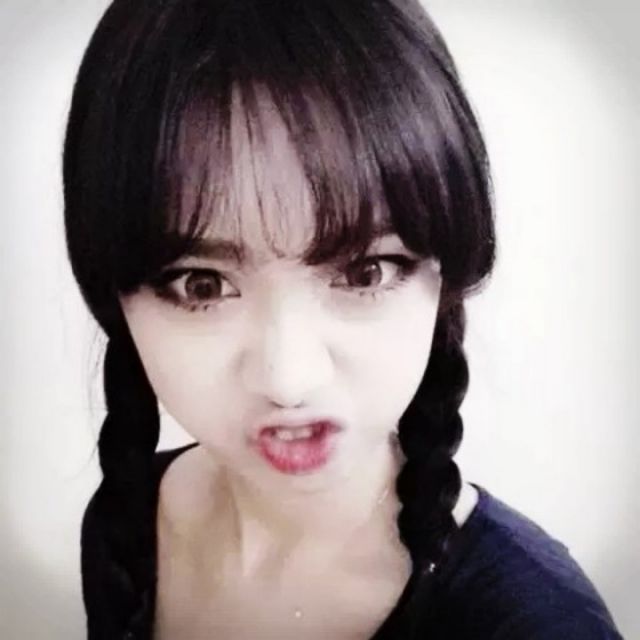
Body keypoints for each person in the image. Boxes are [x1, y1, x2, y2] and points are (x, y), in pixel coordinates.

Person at [63, 0, 623, 638]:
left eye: (365, 273)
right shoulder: (129, 521)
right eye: (203, 285)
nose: (289, 379)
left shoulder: (533, 622)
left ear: (445, 276)